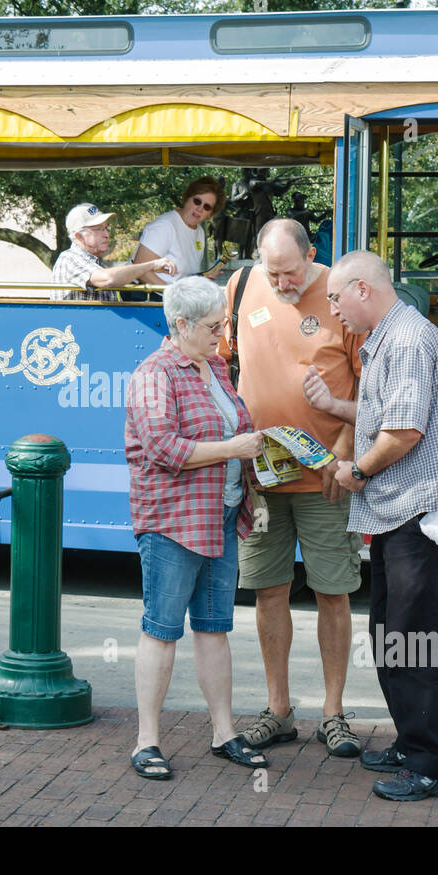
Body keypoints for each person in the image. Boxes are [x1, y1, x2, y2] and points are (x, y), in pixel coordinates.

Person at [305, 248, 438, 801]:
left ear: (362, 289)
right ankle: (412, 741)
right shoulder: (395, 338)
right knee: (393, 633)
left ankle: (432, 764)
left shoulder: (403, 342)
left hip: (419, 513)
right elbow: (389, 414)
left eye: (335, 298)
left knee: (416, 639)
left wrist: (356, 468)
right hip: (405, 513)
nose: (332, 312)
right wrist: (335, 404)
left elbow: (403, 433)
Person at [219, 218, 366, 760]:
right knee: (268, 590)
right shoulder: (241, 286)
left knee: (333, 590)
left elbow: (367, 382)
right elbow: (224, 361)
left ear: (311, 256)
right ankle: (278, 710)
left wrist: (346, 455)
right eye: (270, 271)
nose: (279, 282)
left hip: (326, 474)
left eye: (289, 272)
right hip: (262, 475)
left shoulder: (339, 294)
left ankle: (334, 713)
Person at [124, 275, 268, 780]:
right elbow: (164, 449)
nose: (221, 334)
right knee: (162, 631)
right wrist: (234, 451)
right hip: (173, 522)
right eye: (213, 326)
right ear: (180, 324)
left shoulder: (216, 367)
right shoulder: (154, 373)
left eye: (224, 323)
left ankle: (224, 731)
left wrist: (254, 484)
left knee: (214, 629)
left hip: (220, 516)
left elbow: (240, 430)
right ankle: (146, 742)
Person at [52, 202, 176, 302]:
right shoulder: (70, 258)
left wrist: (140, 271)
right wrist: (150, 265)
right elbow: (109, 278)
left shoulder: (97, 263)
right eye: (99, 229)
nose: (106, 234)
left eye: (106, 228)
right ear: (79, 236)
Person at [132, 176, 228, 283]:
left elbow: (183, 275)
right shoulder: (165, 225)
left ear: (211, 213)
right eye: (197, 201)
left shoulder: (199, 231)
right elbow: (139, 269)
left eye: (207, 207)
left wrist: (203, 278)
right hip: (146, 296)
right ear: (187, 198)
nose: (200, 208)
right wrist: (173, 292)